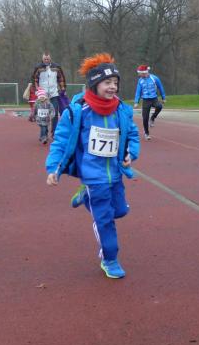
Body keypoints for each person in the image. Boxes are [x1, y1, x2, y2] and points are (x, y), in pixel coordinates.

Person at [45, 53, 140, 279]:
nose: (113, 87)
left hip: (115, 172)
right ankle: (110, 258)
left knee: (120, 211)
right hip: (93, 175)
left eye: (115, 82)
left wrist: (130, 153)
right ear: (94, 84)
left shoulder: (121, 110)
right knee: (104, 219)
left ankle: (85, 196)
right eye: (107, 82)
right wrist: (54, 168)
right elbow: (61, 140)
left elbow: (132, 134)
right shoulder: (78, 111)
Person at [32, 52, 67, 137]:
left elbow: (61, 78)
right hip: (42, 95)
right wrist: (36, 89)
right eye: (45, 59)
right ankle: (44, 134)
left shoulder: (56, 67)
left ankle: (54, 132)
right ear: (42, 59)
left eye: (47, 59)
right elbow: (34, 79)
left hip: (54, 93)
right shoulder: (38, 67)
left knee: (54, 114)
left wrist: (63, 89)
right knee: (44, 114)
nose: (46, 60)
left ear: (50, 58)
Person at [133, 64, 166, 140]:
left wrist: (163, 98)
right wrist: (136, 102)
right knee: (145, 118)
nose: (139, 75)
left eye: (140, 73)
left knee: (159, 106)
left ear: (144, 72)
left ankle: (153, 118)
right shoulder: (140, 80)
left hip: (154, 99)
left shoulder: (154, 78)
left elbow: (160, 87)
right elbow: (138, 91)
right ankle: (147, 133)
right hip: (145, 100)